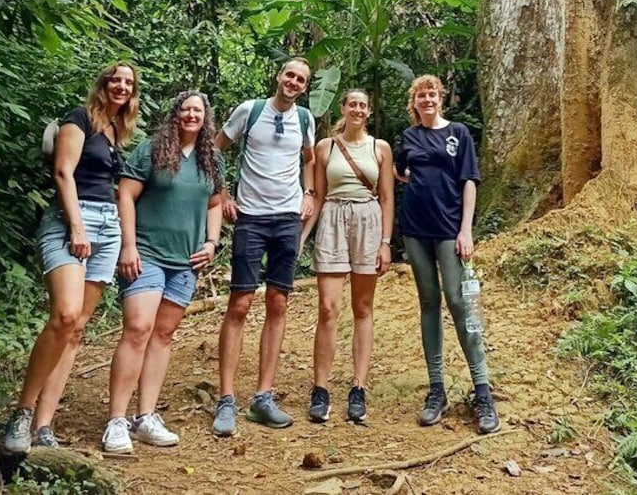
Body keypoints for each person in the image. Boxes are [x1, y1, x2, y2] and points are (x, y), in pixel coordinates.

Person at [3, 62, 139, 453]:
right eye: (116, 79)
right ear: (104, 83)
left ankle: (44, 426)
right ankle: (22, 412)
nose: (121, 86)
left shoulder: (116, 130)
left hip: (108, 226)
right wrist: (77, 227)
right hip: (70, 221)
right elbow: (64, 173)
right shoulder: (78, 119)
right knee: (64, 315)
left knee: (77, 328)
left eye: (128, 83)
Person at [101, 91, 224, 453]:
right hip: (147, 253)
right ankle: (116, 421)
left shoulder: (210, 157)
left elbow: (215, 202)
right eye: (185, 109)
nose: (191, 115)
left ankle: (146, 417)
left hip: (186, 261)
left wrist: (212, 242)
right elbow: (125, 195)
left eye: (198, 110)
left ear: (206, 118)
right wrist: (128, 245)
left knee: (164, 334)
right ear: (175, 114)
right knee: (138, 328)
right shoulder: (152, 149)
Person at [211, 57, 316, 434]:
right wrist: (223, 193)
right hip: (251, 218)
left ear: (305, 87)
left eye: (301, 79)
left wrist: (308, 193)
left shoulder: (305, 119)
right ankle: (226, 399)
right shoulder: (249, 110)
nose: (293, 82)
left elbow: (309, 159)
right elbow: (215, 149)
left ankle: (263, 396)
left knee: (278, 301)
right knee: (240, 302)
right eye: (289, 74)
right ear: (278, 76)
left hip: (287, 218)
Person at [394, 74, 500, 435]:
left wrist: (466, 229)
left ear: (440, 99)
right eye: (421, 95)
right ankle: (436, 389)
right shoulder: (410, 136)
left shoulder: (459, 133)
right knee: (428, 301)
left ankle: (482, 390)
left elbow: (469, 181)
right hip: (414, 229)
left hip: (449, 229)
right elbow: (400, 171)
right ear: (414, 102)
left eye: (432, 94)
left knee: (457, 300)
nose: (427, 99)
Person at [300, 89, 394, 424]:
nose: (357, 109)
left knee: (363, 308)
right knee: (328, 307)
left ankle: (358, 388)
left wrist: (385, 242)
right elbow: (320, 196)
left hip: (368, 221)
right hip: (334, 221)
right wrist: (303, 236)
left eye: (363, 105)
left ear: (368, 111)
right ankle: (321, 388)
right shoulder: (327, 147)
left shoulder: (379, 148)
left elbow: (386, 197)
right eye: (352, 104)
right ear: (343, 108)